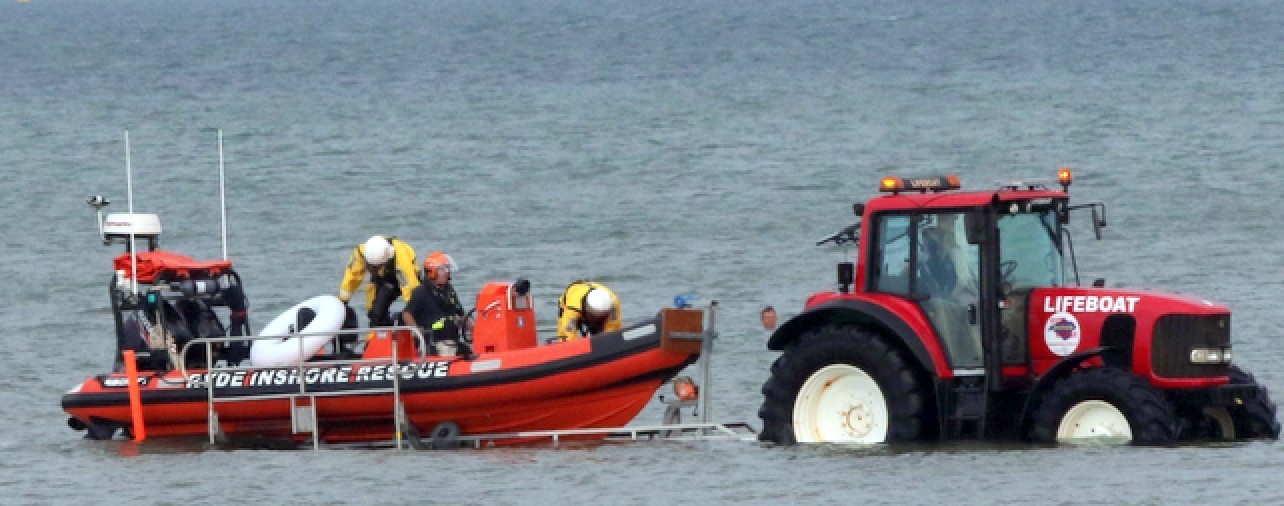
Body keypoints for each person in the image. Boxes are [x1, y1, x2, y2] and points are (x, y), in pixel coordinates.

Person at [338, 235, 420, 328]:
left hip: (401, 276)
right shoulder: (361, 253)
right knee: (374, 313)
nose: (374, 269)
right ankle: (379, 333)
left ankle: (404, 324)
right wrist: (342, 302)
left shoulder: (401, 260)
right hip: (382, 276)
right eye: (372, 267)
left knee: (380, 310)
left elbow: (408, 286)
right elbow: (352, 277)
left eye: (377, 267)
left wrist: (414, 310)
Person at [402, 251, 469, 356]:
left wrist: (475, 329)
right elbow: (407, 314)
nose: (447, 272)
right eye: (443, 269)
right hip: (437, 342)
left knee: (468, 351)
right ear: (433, 272)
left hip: (453, 340)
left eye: (447, 268)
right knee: (448, 352)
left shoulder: (449, 291)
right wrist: (418, 334)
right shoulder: (421, 292)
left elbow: (461, 314)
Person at [556, 280, 621, 341]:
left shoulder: (613, 304)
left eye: (600, 318)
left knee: (610, 333)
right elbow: (568, 335)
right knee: (564, 337)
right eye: (594, 317)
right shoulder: (572, 309)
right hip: (572, 298)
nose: (596, 320)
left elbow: (613, 331)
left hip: (594, 291)